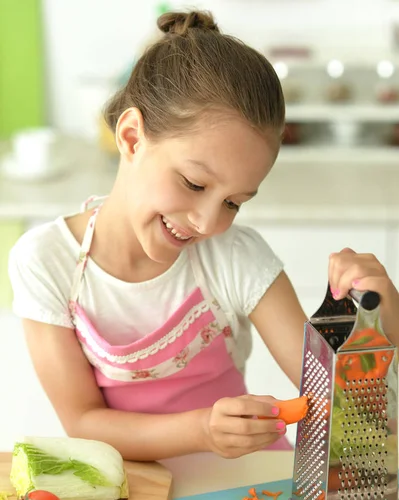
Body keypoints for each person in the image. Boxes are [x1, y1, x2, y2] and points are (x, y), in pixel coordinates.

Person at [8, 10, 399, 462]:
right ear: (132, 138)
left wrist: (384, 323)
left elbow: (348, 409)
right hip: (135, 496)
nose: (208, 223)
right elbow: (83, 422)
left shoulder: (235, 257)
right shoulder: (46, 261)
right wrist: (201, 430)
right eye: (194, 184)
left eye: (234, 202)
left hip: (243, 485)